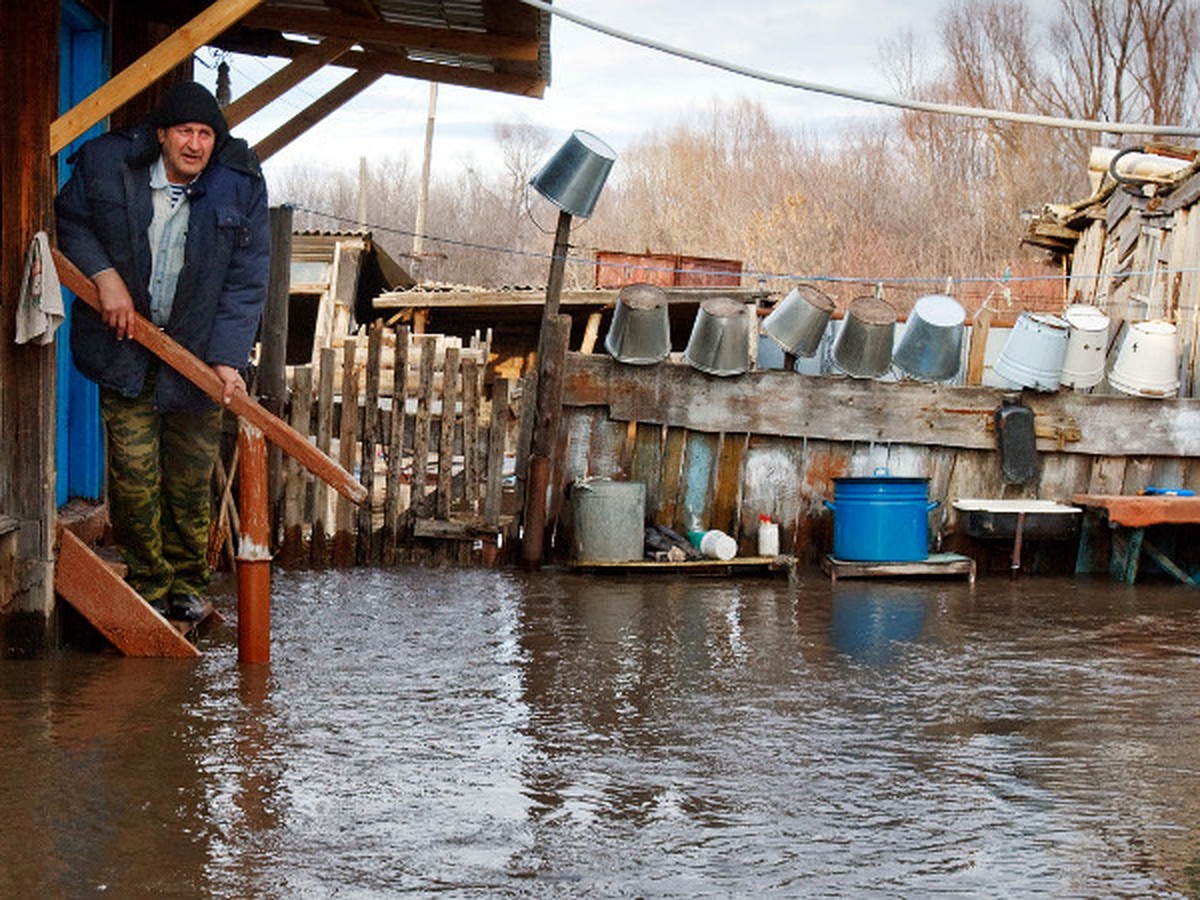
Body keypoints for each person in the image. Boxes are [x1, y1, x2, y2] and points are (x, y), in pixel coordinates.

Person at [56, 81, 270, 621]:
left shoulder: (238, 187)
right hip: (125, 350)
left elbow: (247, 281)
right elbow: (70, 221)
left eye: (204, 134)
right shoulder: (109, 168)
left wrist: (227, 357)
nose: (194, 144)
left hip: (195, 360)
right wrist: (104, 277)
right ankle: (149, 585)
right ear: (161, 135)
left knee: (190, 481)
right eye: (184, 132)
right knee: (132, 478)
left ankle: (187, 586)